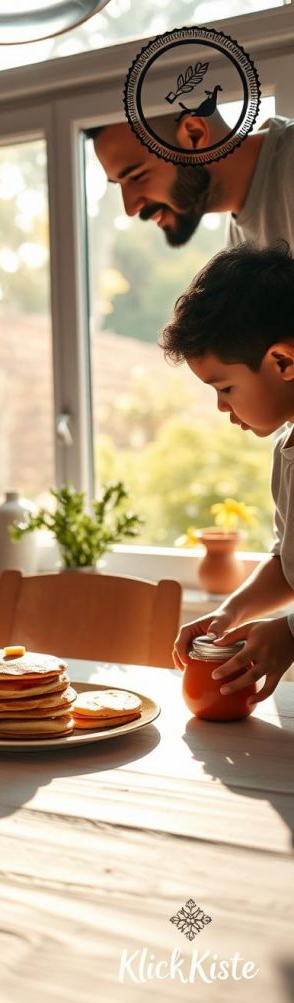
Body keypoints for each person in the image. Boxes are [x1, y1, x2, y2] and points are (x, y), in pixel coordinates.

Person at [162, 241, 294, 704]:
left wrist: (291, 634)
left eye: (226, 387)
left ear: (283, 362)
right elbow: (288, 564)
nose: (221, 406)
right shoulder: (286, 450)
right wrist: (229, 613)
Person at [90, 113, 294, 249]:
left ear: (194, 135)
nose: (131, 208)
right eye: (119, 184)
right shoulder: (240, 241)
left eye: (137, 176)